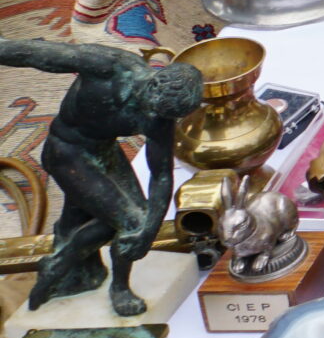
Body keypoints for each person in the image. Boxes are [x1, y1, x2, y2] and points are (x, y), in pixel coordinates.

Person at [0, 39, 204, 315]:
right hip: (66, 152)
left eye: (163, 115)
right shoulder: (109, 66)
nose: (153, 117)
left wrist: (150, 231)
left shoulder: (160, 118)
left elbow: (161, 175)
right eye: (153, 108)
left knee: (127, 222)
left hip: (105, 152)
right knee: (130, 221)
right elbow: (36, 54)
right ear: (154, 83)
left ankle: (74, 269)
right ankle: (107, 283)